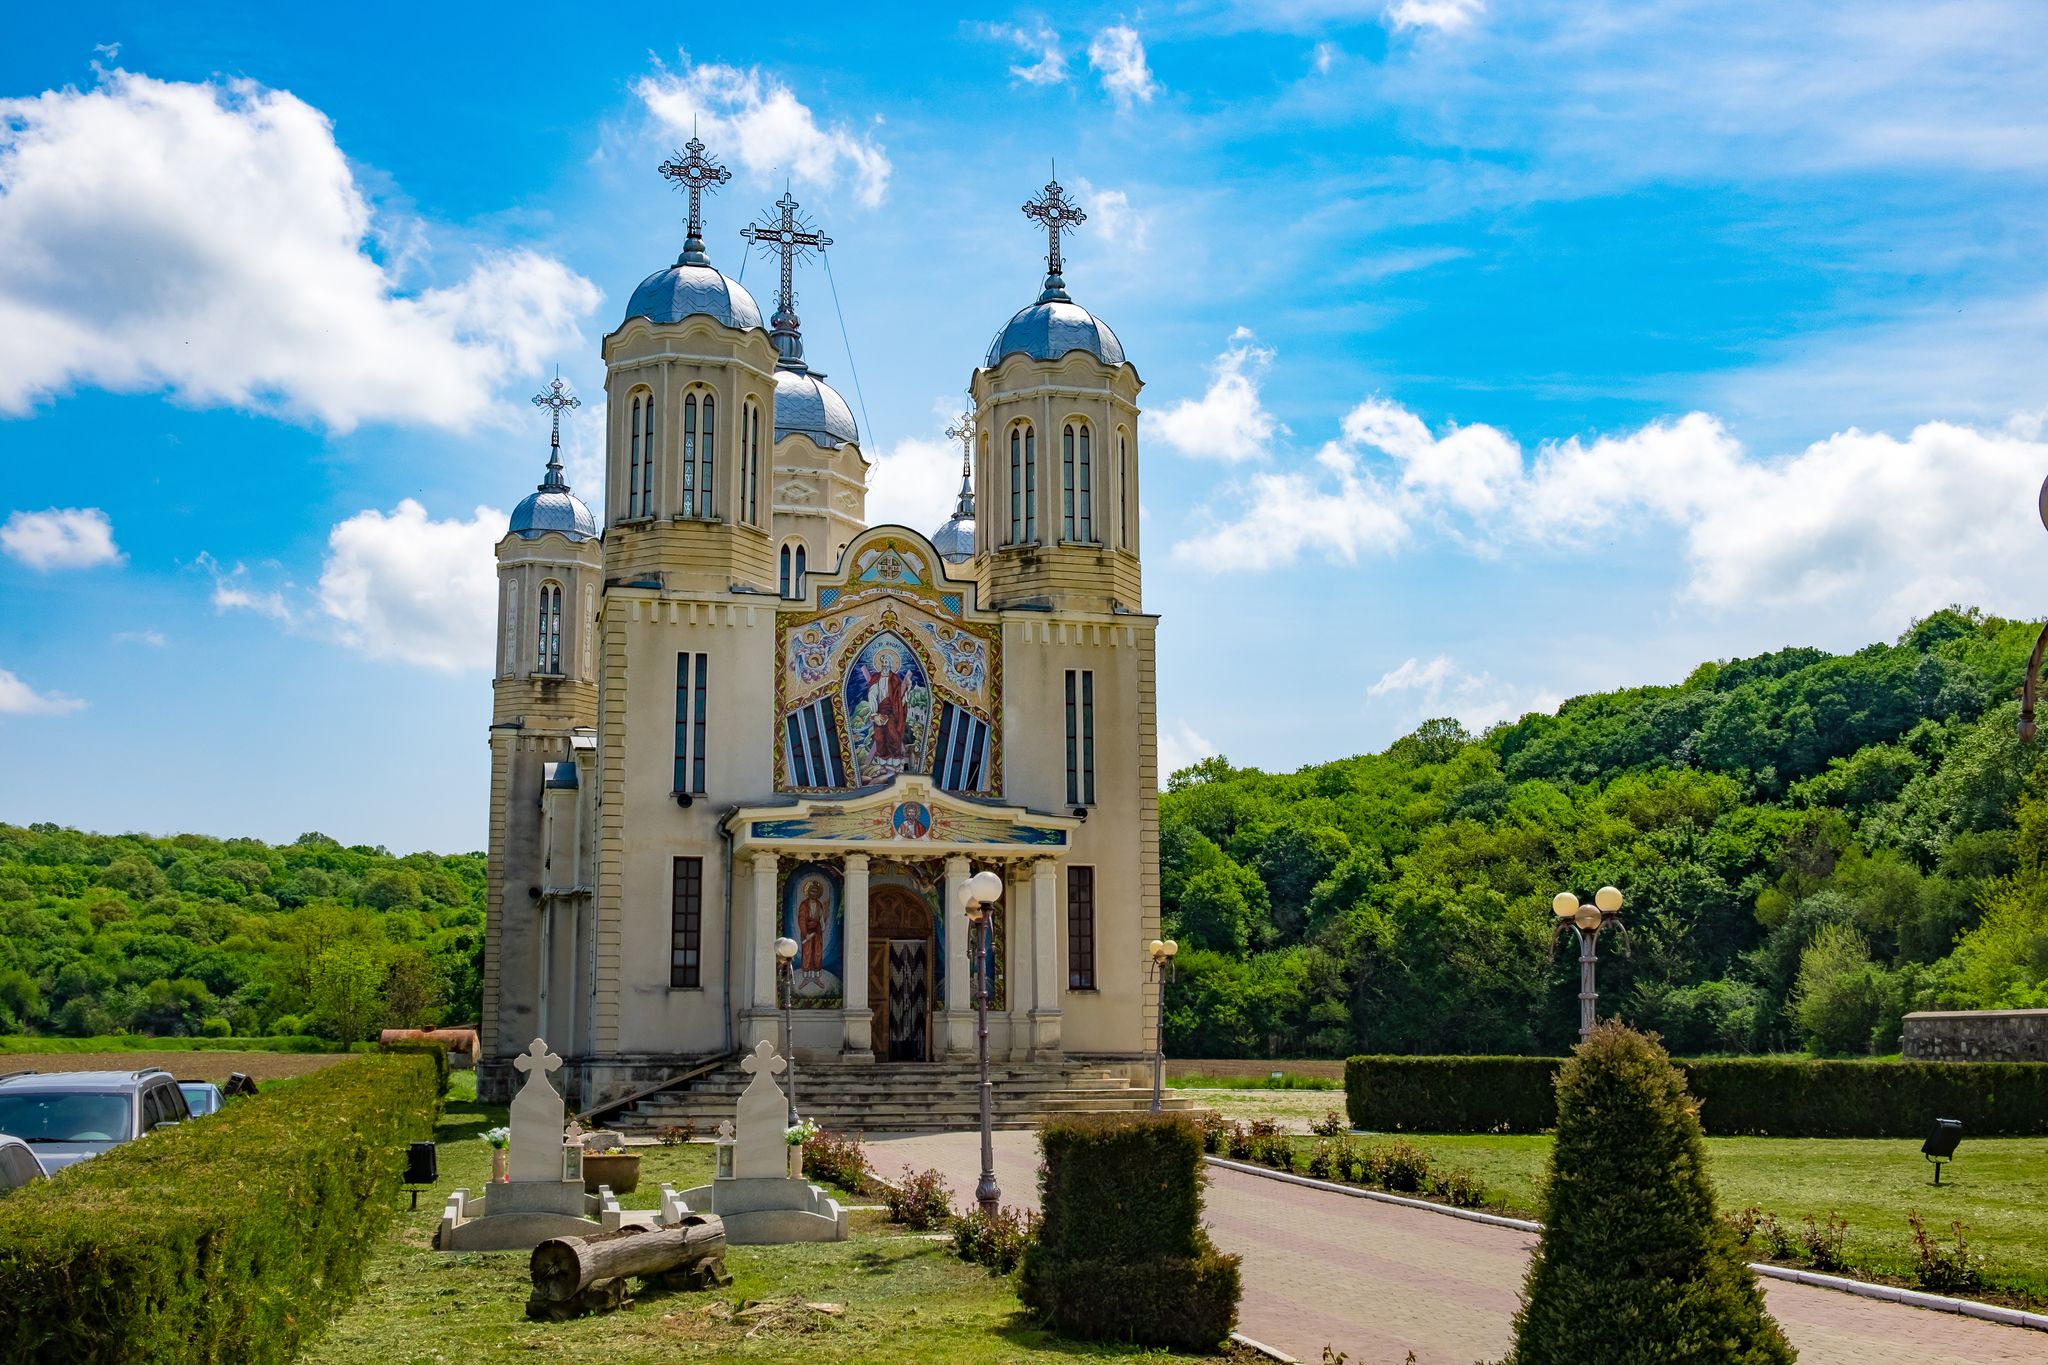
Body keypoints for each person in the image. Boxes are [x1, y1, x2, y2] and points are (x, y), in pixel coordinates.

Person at [796, 879, 828, 973]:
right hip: (807, 930)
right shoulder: (804, 905)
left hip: (817, 931)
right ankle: (806, 973)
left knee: (817, 951)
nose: (814, 893)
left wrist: (822, 926)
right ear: (808, 892)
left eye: (815, 892)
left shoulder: (819, 904)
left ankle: (816, 972)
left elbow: (821, 918)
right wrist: (805, 934)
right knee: (807, 951)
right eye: (812, 891)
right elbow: (801, 919)